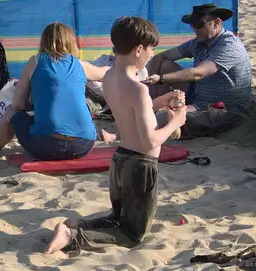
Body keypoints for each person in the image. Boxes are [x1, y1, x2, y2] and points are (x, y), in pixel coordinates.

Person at [45, 16, 187, 254]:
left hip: (120, 159)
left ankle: (77, 225)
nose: (153, 54)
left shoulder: (110, 76)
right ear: (139, 49)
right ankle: (72, 235)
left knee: (118, 218)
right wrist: (176, 122)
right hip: (141, 166)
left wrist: (159, 102)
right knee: (132, 234)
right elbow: (150, 140)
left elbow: (129, 111)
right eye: (152, 49)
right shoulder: (139, 88)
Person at [0, 23, 114, 161]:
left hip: (46, 146)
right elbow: (104, 72)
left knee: (10, 111)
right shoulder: (81, 65)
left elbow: (17, 105)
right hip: (82, 145)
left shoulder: (35, 62)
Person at [147, 2, 253, 136]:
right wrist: (151, 98)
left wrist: (161, 78)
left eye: (199, 24)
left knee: (160, 119)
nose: (195, 29)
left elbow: (198, 73)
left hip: (223, 108)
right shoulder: (199, 42)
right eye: (193, 25)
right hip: (199, 98)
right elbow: (160, 58)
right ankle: (156, 112)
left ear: (217, 23)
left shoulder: (229, 45)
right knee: (165, 65)